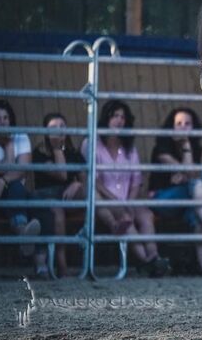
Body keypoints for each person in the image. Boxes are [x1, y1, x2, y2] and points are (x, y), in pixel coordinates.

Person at [81, 100, 170, 277]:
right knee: (125, 218)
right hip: (104, 199)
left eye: (122, 117)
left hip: (128, 198)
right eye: (115, 116)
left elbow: (137, 179)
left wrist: (129, 201)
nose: (119, 120)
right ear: (106, 118)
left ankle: (154, 255)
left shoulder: (129, 148)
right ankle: (146, 261)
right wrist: (117, 202)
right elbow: (93, 180)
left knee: (146, 214)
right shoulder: (91, 143)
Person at [148, 107, 202, 277]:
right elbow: (190, 174)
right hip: (163, 199)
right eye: (179, 123)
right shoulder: (162, 148)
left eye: (187, 124)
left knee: (199, 215)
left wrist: (186, 166)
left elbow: (187, 174)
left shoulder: (197, 149)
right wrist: (186, 150)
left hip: (189, 199)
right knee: (197, 187)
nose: (183, 127)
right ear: (171, 126)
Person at [32, 112, 86, 278]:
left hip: (66, 196)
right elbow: (61, 175)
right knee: (57, 211)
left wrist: (78, 183)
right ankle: (62, 265)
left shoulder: (73, 153)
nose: (59, 130)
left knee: (88, 193)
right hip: (46, 196)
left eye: (62, 126)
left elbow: (87, 180)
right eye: (53, 127)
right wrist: (56, 149)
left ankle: (86, 232)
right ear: (46, 132)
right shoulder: (40, 153)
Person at [0, 100, 42, 261]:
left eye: (6, 118)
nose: (2, 122)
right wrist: (10, 148)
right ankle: (22, 233)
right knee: (15, 185)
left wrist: (3, 181)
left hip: (13, 193)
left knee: (39, 204)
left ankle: (42, 265)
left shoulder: (21, 136)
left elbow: (24, 170)